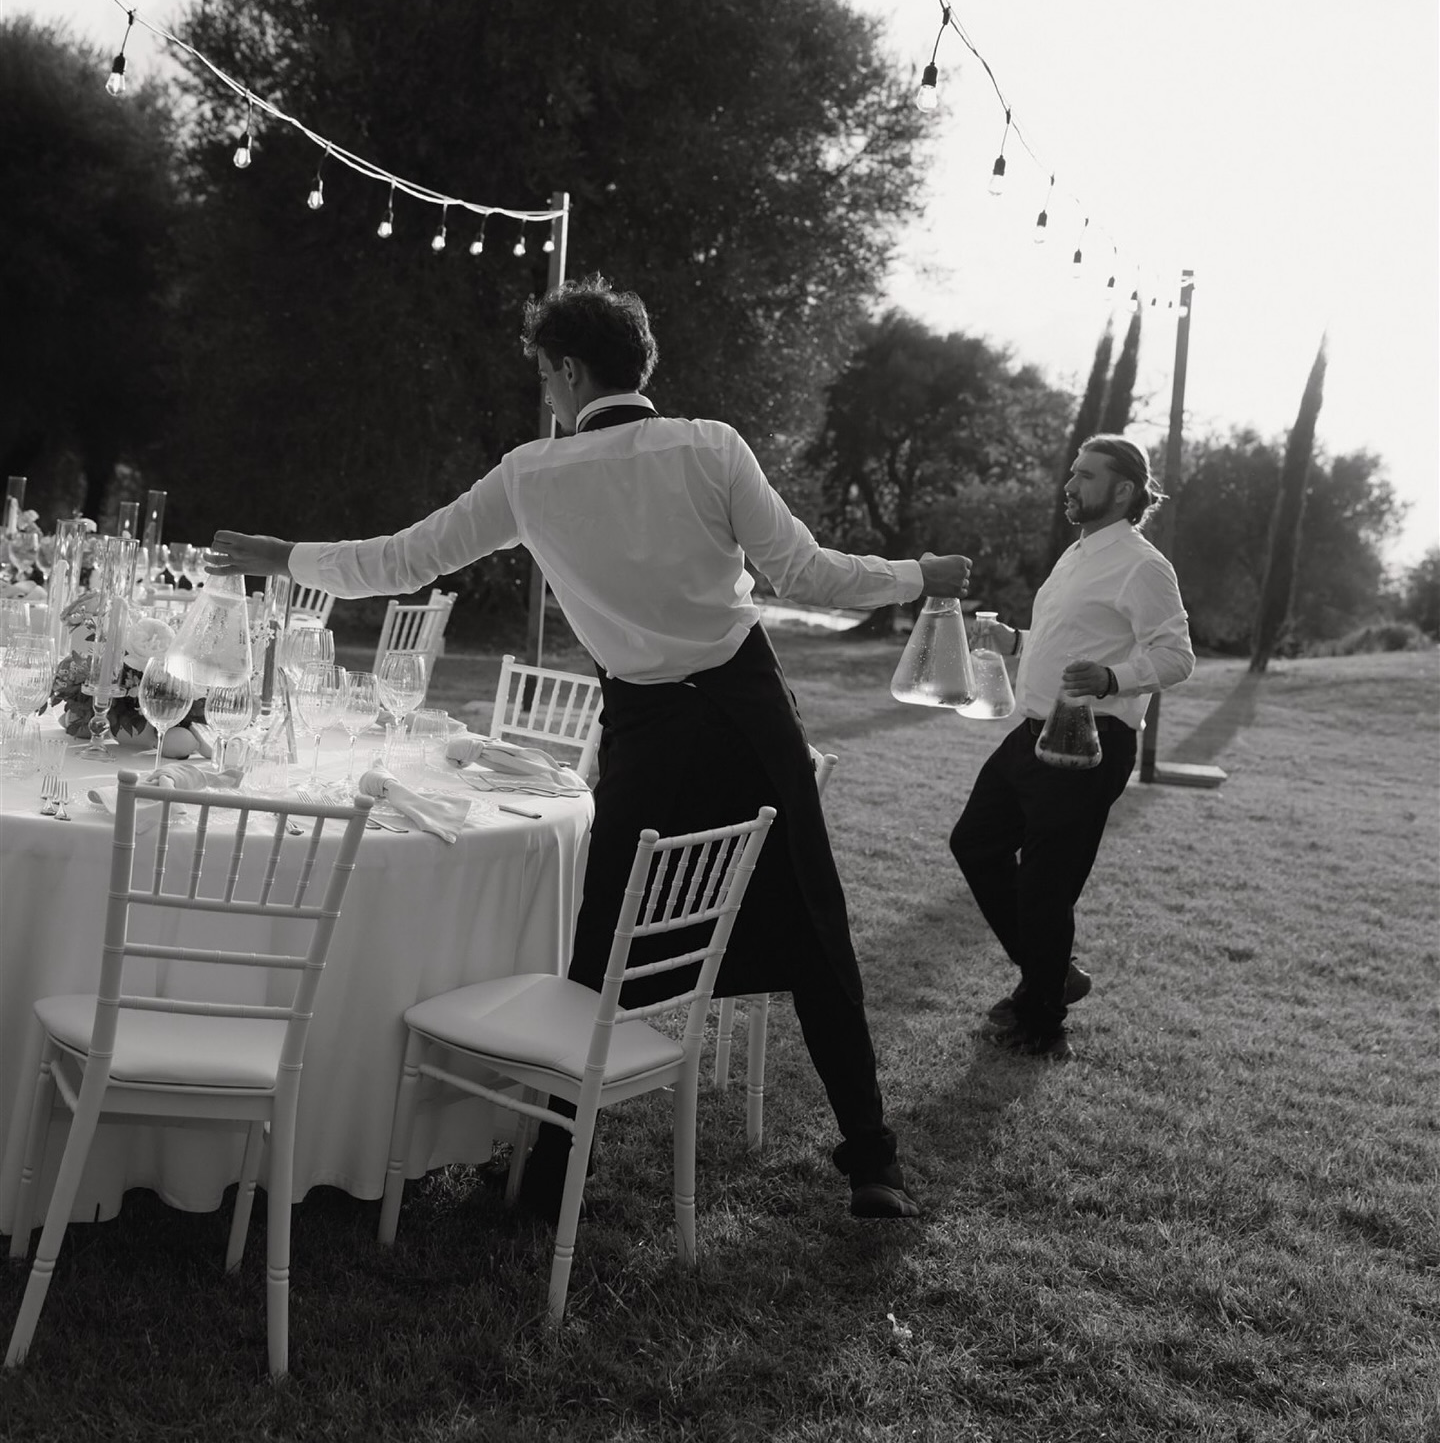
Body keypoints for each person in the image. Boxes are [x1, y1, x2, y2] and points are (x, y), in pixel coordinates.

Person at [208, 275, 972, 1220]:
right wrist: (917, 573)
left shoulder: (532, 474)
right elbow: (806, 571)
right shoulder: (713, 446)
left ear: (569, 369)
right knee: (815, 924)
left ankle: (558, 1165)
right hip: (748, 712)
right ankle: (872, 1163)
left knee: (606, 933)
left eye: (543, 373)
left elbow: (402, 559)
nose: (544, 393)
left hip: (647, 730)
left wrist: (281, 555)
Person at [948, 433, 1194, 1060]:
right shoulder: (1077, 554)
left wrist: (1115, 680)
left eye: (1086, 476)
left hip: (1090, 744)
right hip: (1031, 732)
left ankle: (1041, 1022)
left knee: (1045, 886)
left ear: (1124, 490)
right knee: (975, 842)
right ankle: (1053, 976)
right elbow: (1072, 642)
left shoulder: (1143, 564)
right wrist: (1016, 643)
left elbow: (1174, 656)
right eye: (1074, 473)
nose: (1071, 484)